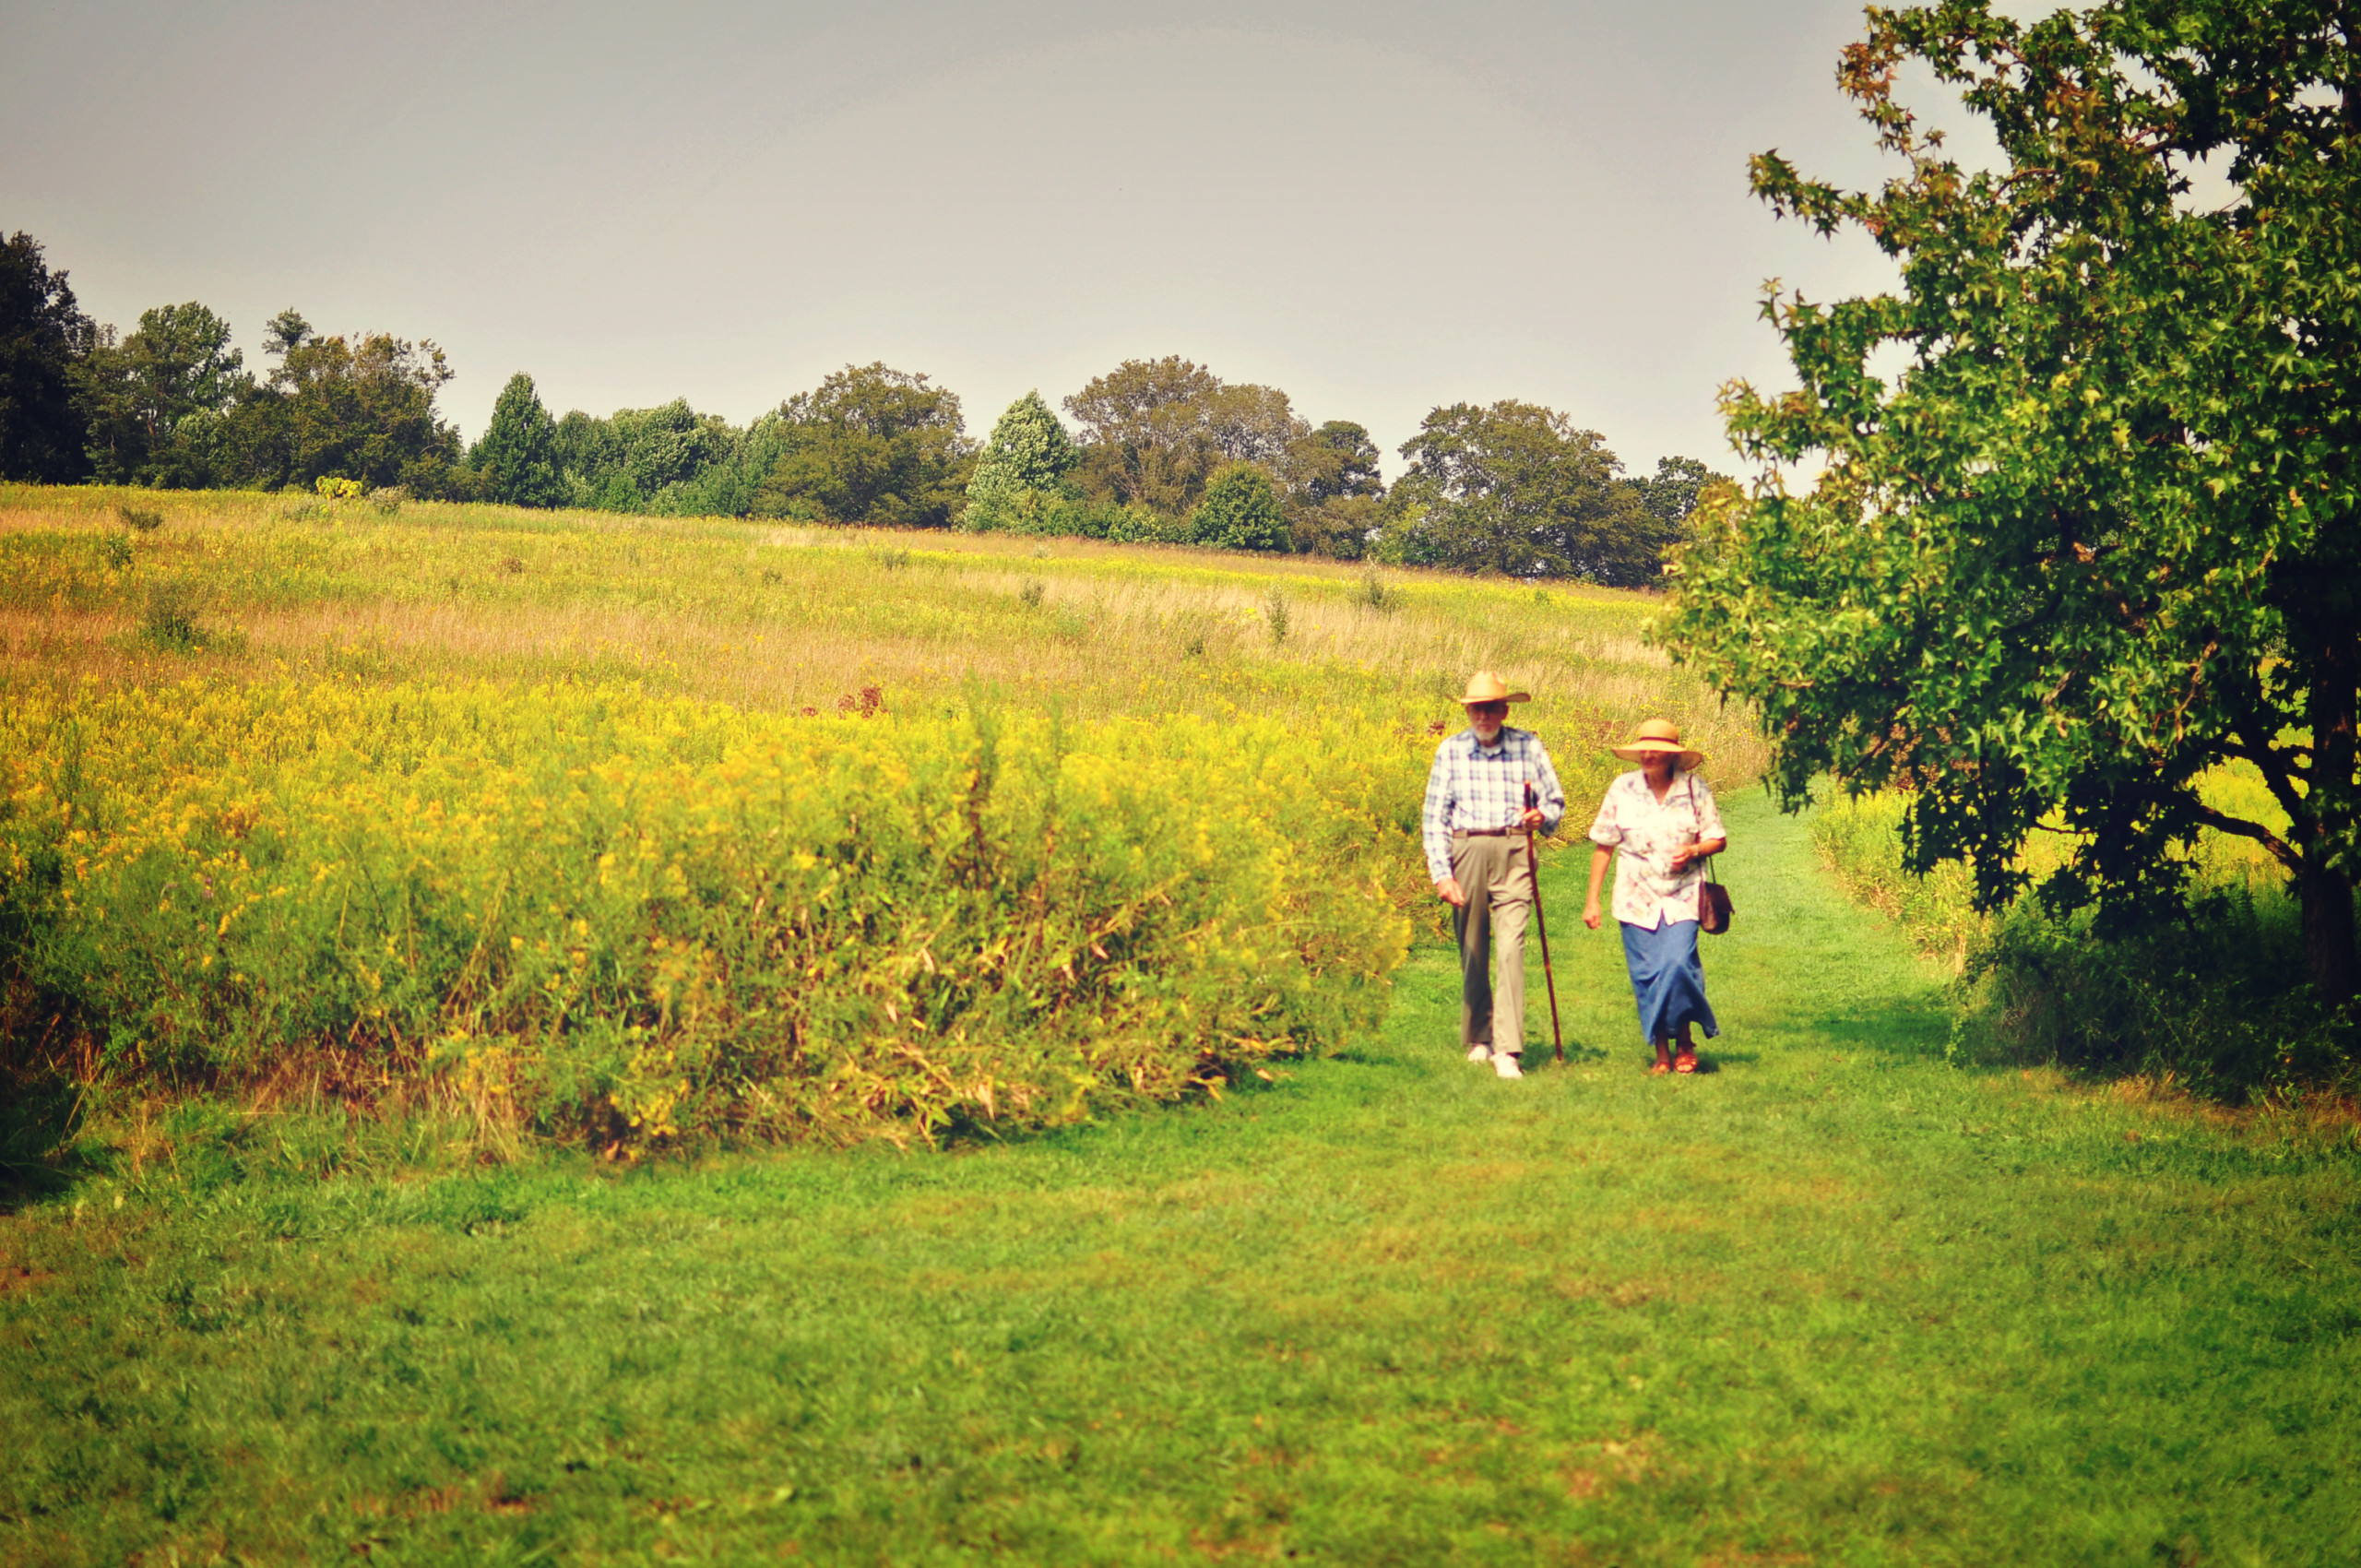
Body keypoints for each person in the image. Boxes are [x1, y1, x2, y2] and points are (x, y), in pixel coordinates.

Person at [1422, 671, 1566, 1080]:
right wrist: (1441, 874)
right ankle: (1480, 1037)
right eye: (1475, 709)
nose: (1483, 715)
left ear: (1505, 710)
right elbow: (1435, 818)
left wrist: (1544, 816)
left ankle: (1507, 1049)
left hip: (1514, 851)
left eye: (1490, 708)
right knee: (1472, 949)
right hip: (1465, 849)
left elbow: (1554, 801)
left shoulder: (1528, 746)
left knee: (1510, 949)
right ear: (1468, 711)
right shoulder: (1450, 751)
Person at [1581, 719, 1726, 1075]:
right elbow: (1604, 846)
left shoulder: (1694, 788)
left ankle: (1686, 1040)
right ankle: (1663, 1052)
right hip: (1634, 898)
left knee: (1677, 965)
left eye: (1656, 750)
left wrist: (1693, 850)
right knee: (1647, 975)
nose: (1648, 754)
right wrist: (1592, 900)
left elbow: (1718, 839)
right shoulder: (1622, 788)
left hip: (1684, 894)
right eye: (1643, 748)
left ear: (1672, 755)